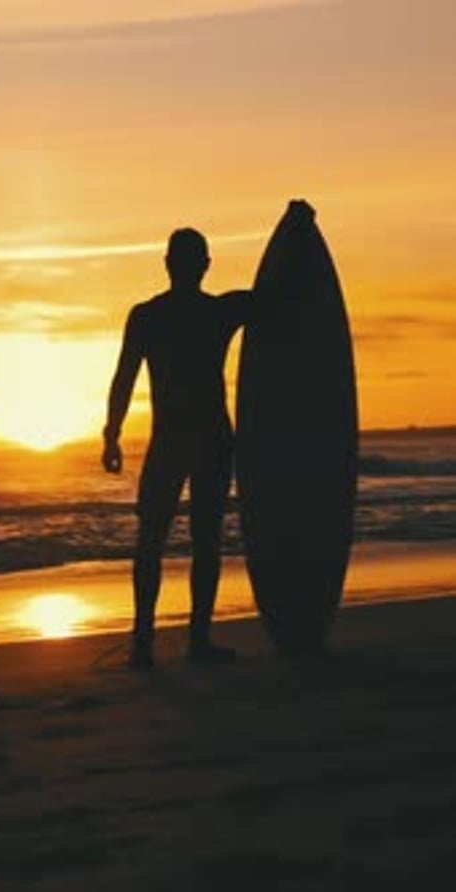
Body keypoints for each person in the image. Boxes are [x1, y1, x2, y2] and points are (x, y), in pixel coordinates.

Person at [102, 200, 314, 669]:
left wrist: (111, 435)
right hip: (213, 441)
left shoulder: (146, 317)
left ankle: (143, 645)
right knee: (205, 541)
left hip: (171, 441)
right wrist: (299, 232)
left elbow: (123, 380)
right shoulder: (220, 313)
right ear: (204, 266)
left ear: (167, 264)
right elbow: (280, 297)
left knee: (151, 541)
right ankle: (197, 641)